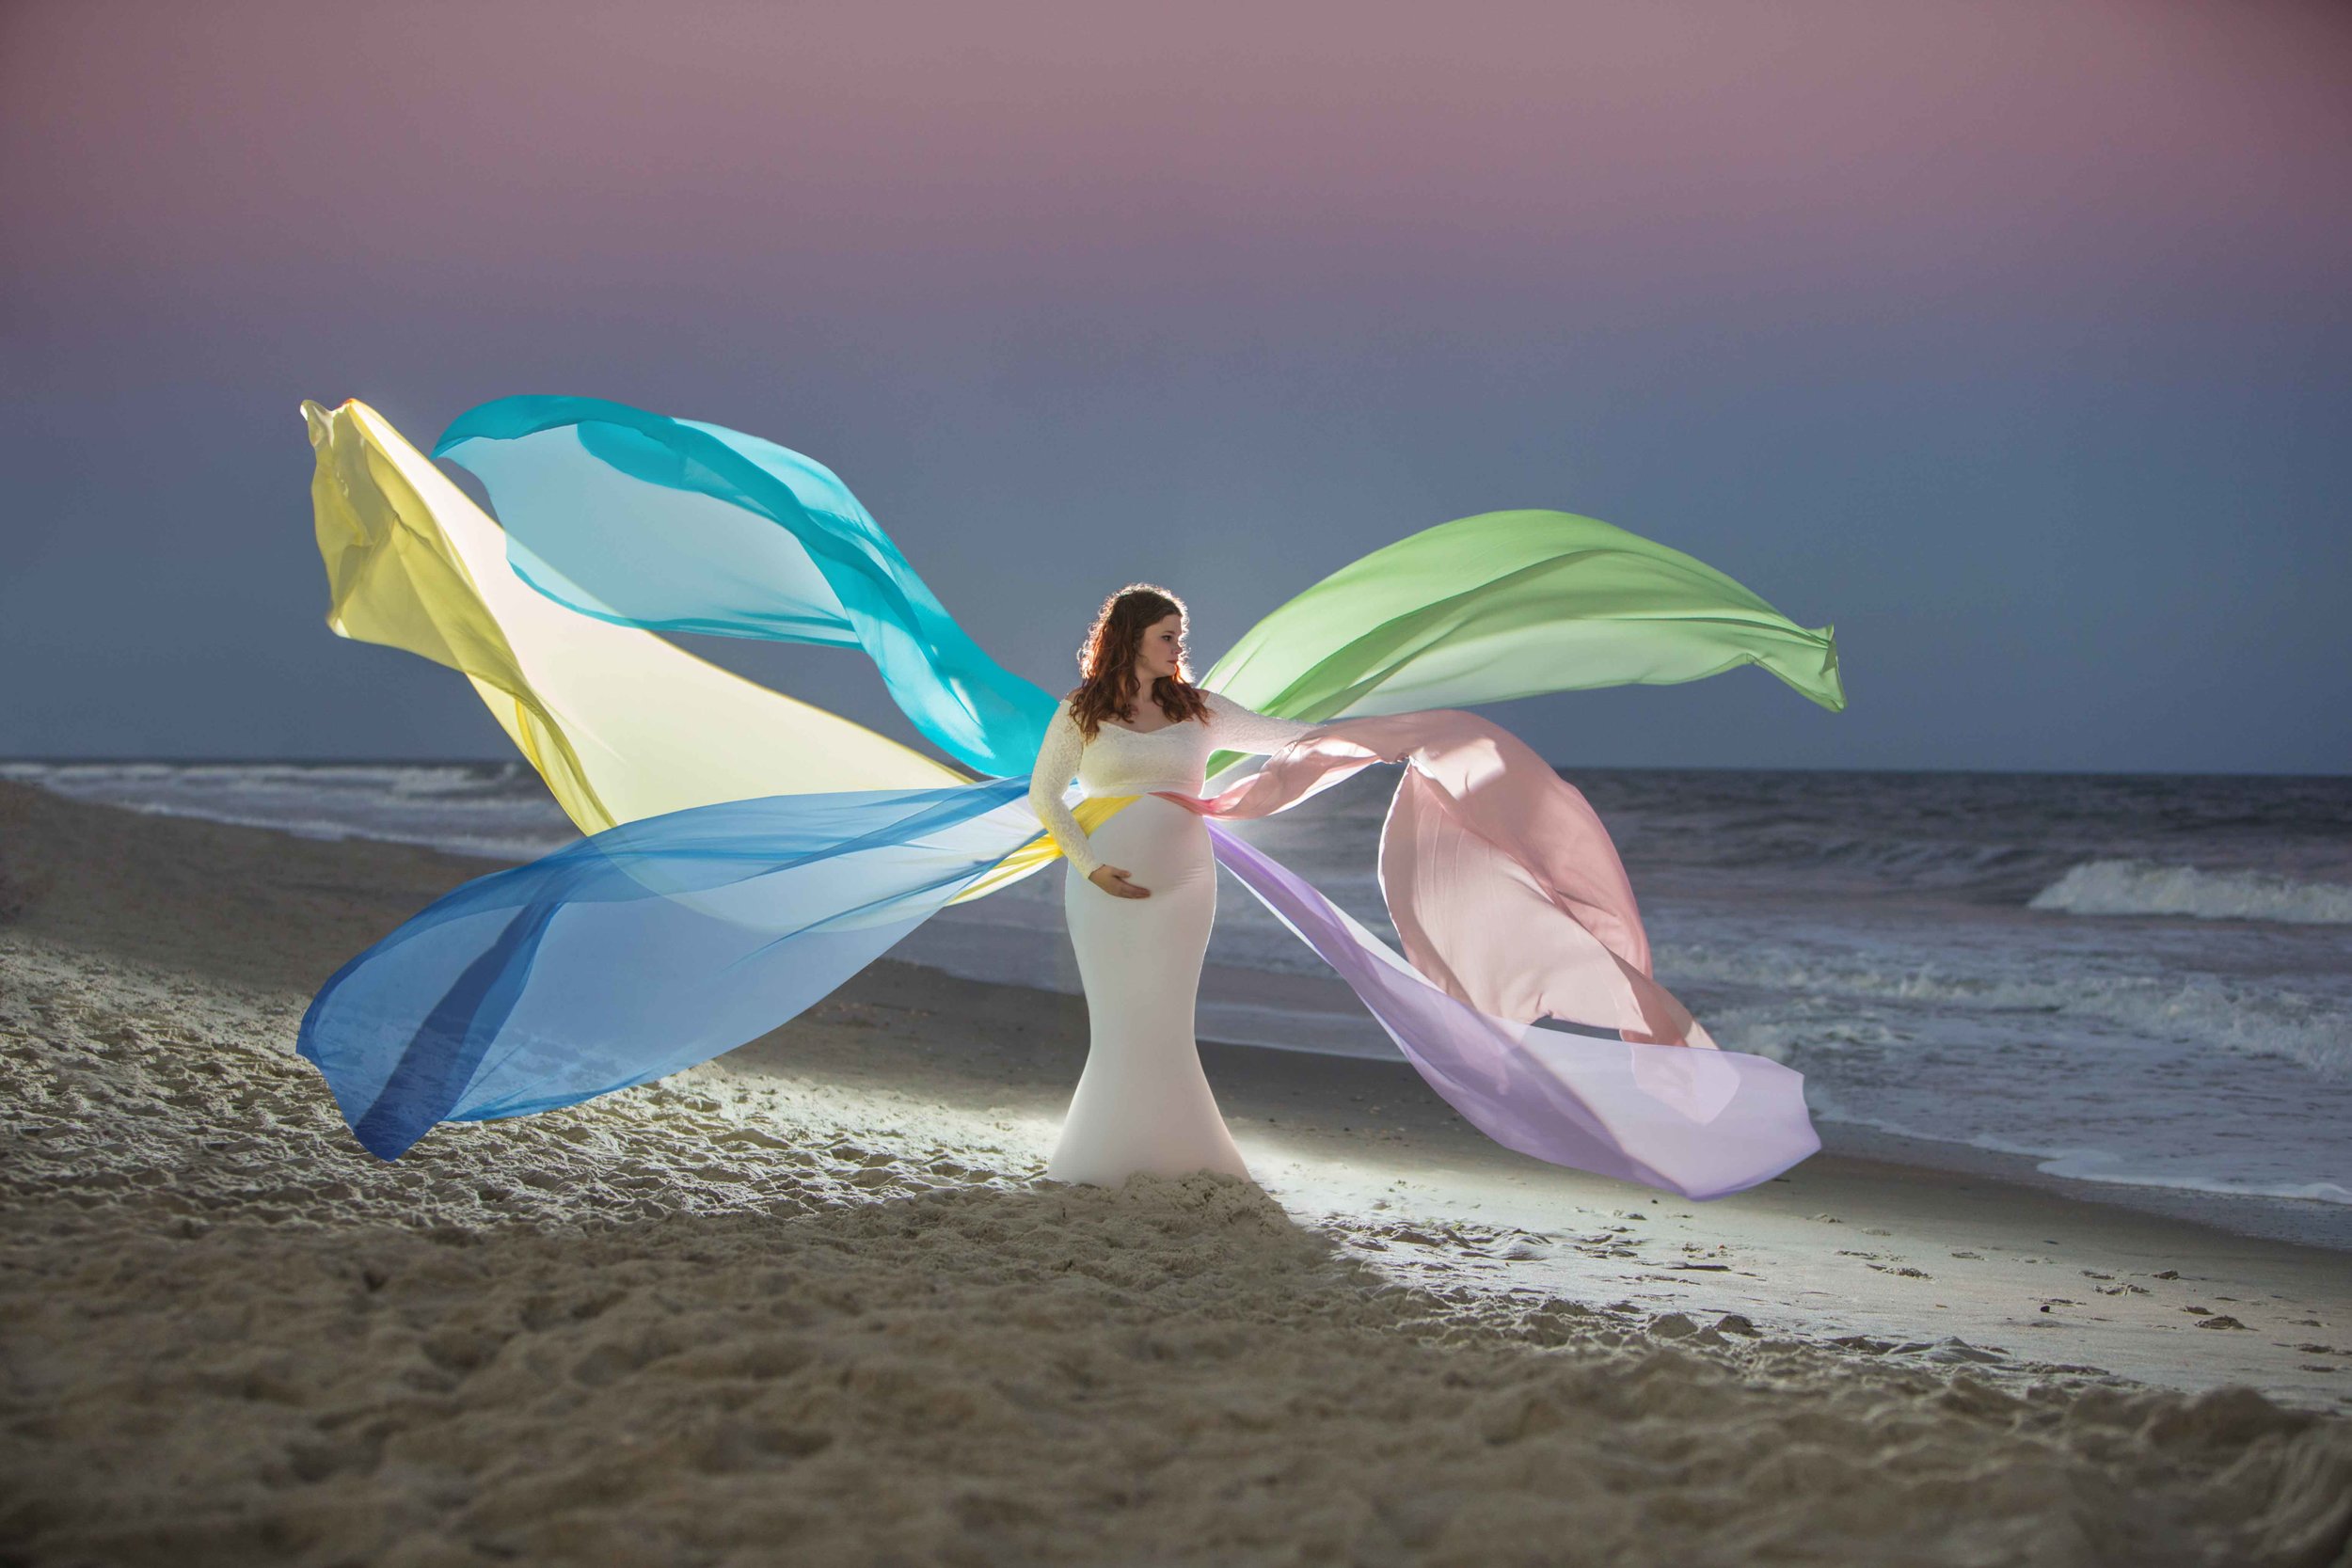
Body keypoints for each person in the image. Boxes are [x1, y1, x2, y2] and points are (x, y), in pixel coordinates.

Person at [1026, 585, 1318, 1185]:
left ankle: (1186, 1159)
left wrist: (1383, 740)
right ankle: (1099, 1160)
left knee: (1165, 1021)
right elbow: (1045, 796)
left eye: (1179, 635)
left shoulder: (1199, 708)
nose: (1177, 646)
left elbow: (1284, 735)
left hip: (1186, 887)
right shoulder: (1081, 709)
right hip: (1100, 890)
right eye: (1167, 635)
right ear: (1130, 637)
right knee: (1117, 1024)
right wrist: (1090, 867)